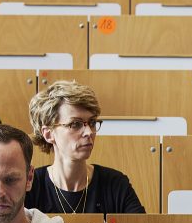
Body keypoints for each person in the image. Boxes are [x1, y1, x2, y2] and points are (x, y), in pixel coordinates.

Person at [25, 80, 146, 214]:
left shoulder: (115, 183)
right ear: (48, 134)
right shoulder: (30, 186)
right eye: (75, 124)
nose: (89, 132)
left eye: (92, 122)